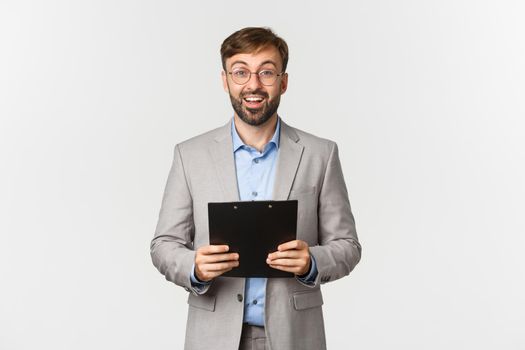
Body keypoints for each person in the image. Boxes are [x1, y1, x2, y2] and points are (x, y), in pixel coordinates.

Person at [150, 26, 361, 350]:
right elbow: (164, 244)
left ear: (284, 81)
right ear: (225, 80)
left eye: (266, 72)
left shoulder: (321, 154)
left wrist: (311, 262)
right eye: (241, 72)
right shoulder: (190, 155)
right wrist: (194, 267)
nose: (253, 84)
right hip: (213, 335)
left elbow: (347, 245)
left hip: (295, 336)